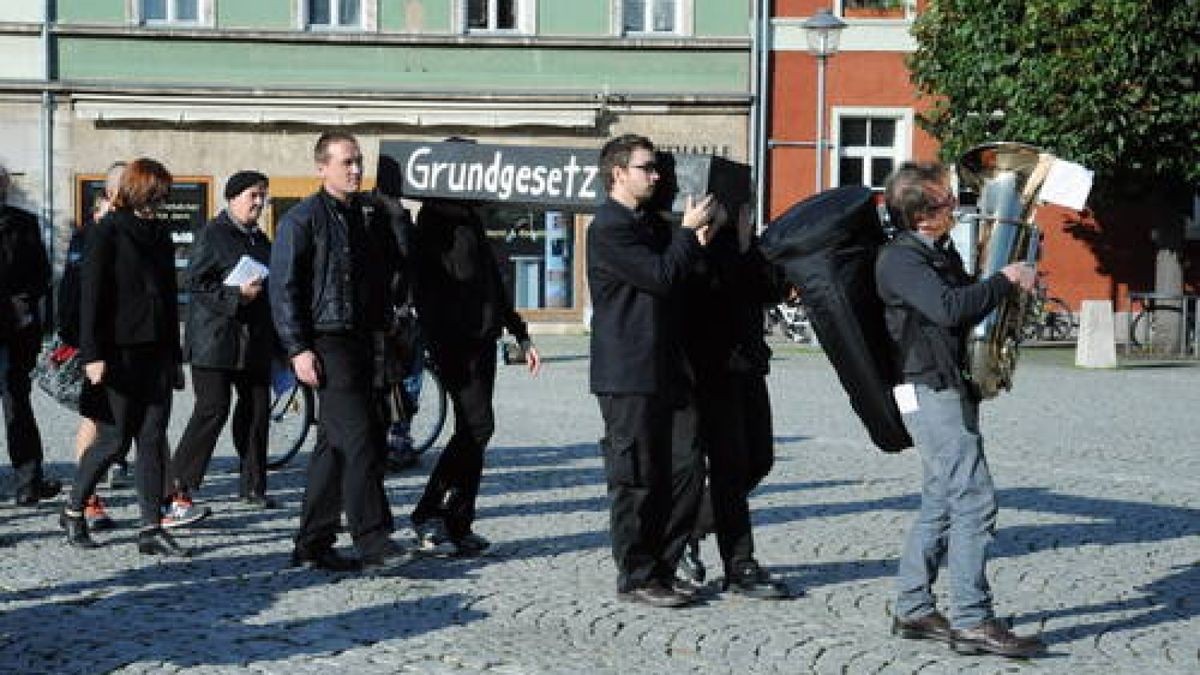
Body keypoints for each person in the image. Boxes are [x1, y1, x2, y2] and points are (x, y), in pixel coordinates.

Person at [875, 161, 1045, 657]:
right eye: (948, 202)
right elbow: (949, 308)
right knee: (974, 499)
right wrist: (1006, 280)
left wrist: (1010, 284)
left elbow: (967, 300)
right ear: (924, 215)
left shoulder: (934, 252)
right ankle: (972, 619)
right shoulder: (900, 260)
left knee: (941, 498)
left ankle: (912, 607)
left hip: (949, 384)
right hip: (928, 387)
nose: (957, 208)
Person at [270, 131, 410, 572]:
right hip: (325, 341)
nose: (355, 169)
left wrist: (396, 217)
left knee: (333, 447)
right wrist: (297, 348)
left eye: (357, 162)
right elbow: (284, 287)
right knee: (362, 438)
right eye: (346, 162)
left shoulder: (365, 217)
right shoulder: (302, 219)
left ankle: (312, 543)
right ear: (322, 167)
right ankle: (373, 540)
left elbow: (391, 271)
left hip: (362, 340)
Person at [587, 133, 716, 608]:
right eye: (646, 168)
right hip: (627, 372)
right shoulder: (608, 227)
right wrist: (685, 234)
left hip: (668, 367)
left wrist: (697, 242)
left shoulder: (648, 223)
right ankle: (636, 574)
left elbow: (681, 278)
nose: (656, 175)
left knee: (684, 466)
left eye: (656, 168)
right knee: (635, 476)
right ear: (618, 173)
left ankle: (665, 563)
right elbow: (660, 277)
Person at [61, 157, 190, 556]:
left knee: (152, 439)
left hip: (155, 353)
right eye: (157, 190)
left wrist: (174, 357)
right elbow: (91, 298)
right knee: (113, 441)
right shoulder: (107, 232)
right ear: (141, 189)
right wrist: (92, 354)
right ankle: (73, 508)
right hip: (116, 353)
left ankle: (150, 528)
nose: (163, 198)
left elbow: (168, 300)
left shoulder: (160, 235)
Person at [409, 193, 541, 557]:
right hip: (454, 341)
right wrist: (438, 336)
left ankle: (457, 521)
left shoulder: (472, 216)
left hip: (482, 338)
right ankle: (429, 511)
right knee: (479, 425)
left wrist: (519, 331)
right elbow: (426, 287)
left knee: (472, 431)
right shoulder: (434, 219)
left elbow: (491, 283)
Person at [677, 204, 790, 600]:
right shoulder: (697, 245)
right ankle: (740, 564)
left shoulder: (745, 246)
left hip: (749, 365)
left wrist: (749, 246)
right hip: (712, 369)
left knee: (759, 459)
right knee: (730, 467)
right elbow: (700, 294)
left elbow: (773, 290)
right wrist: (719, 246)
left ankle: (689, 527)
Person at [167, 171, 275, 521]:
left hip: (253, 342)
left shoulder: (261, 240)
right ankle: (177, 485)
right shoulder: (212, 235)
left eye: (262, 196)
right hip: (214, 340)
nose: (258, 203)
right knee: (212, 410)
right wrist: (235, 295)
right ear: (232, 198)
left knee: (257, 412)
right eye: (252, 196)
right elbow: (196, 284)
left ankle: (254, 485)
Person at [57, 162, 127, 530]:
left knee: (150, 425)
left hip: (128, 344)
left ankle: (164, 500)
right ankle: (85, 500)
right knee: (95, 419)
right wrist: (86, 347)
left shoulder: (122, 231)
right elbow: (79, 295)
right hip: (100, 343)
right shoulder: (94, 235)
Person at [0, 165, 58, 507]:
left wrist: (23, 302)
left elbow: (42, 276)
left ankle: (29, 480)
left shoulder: (23, 223)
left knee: (17, 405)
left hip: (14, 329)